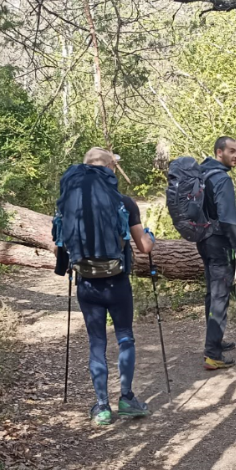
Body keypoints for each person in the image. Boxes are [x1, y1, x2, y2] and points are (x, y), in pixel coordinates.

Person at [60, 147, 156, 426]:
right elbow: (144, 246)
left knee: (97, 343)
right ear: (110, 169)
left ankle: (102, 407)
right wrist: (149, 234)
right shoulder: (124, 202)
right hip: (117, 283)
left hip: (87, 285)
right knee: (125, 336)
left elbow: (61, 246)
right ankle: (127, 398)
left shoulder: (70, 203)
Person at [198, 137, 236, 370]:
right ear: (219, 152)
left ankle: (215, 341)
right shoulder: (221, 179)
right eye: (232, 151)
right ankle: (213, 355)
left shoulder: (202, 172)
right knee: (220, 298)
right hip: (219, 243)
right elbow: (228, 220)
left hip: (203, 240)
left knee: (213, 293)